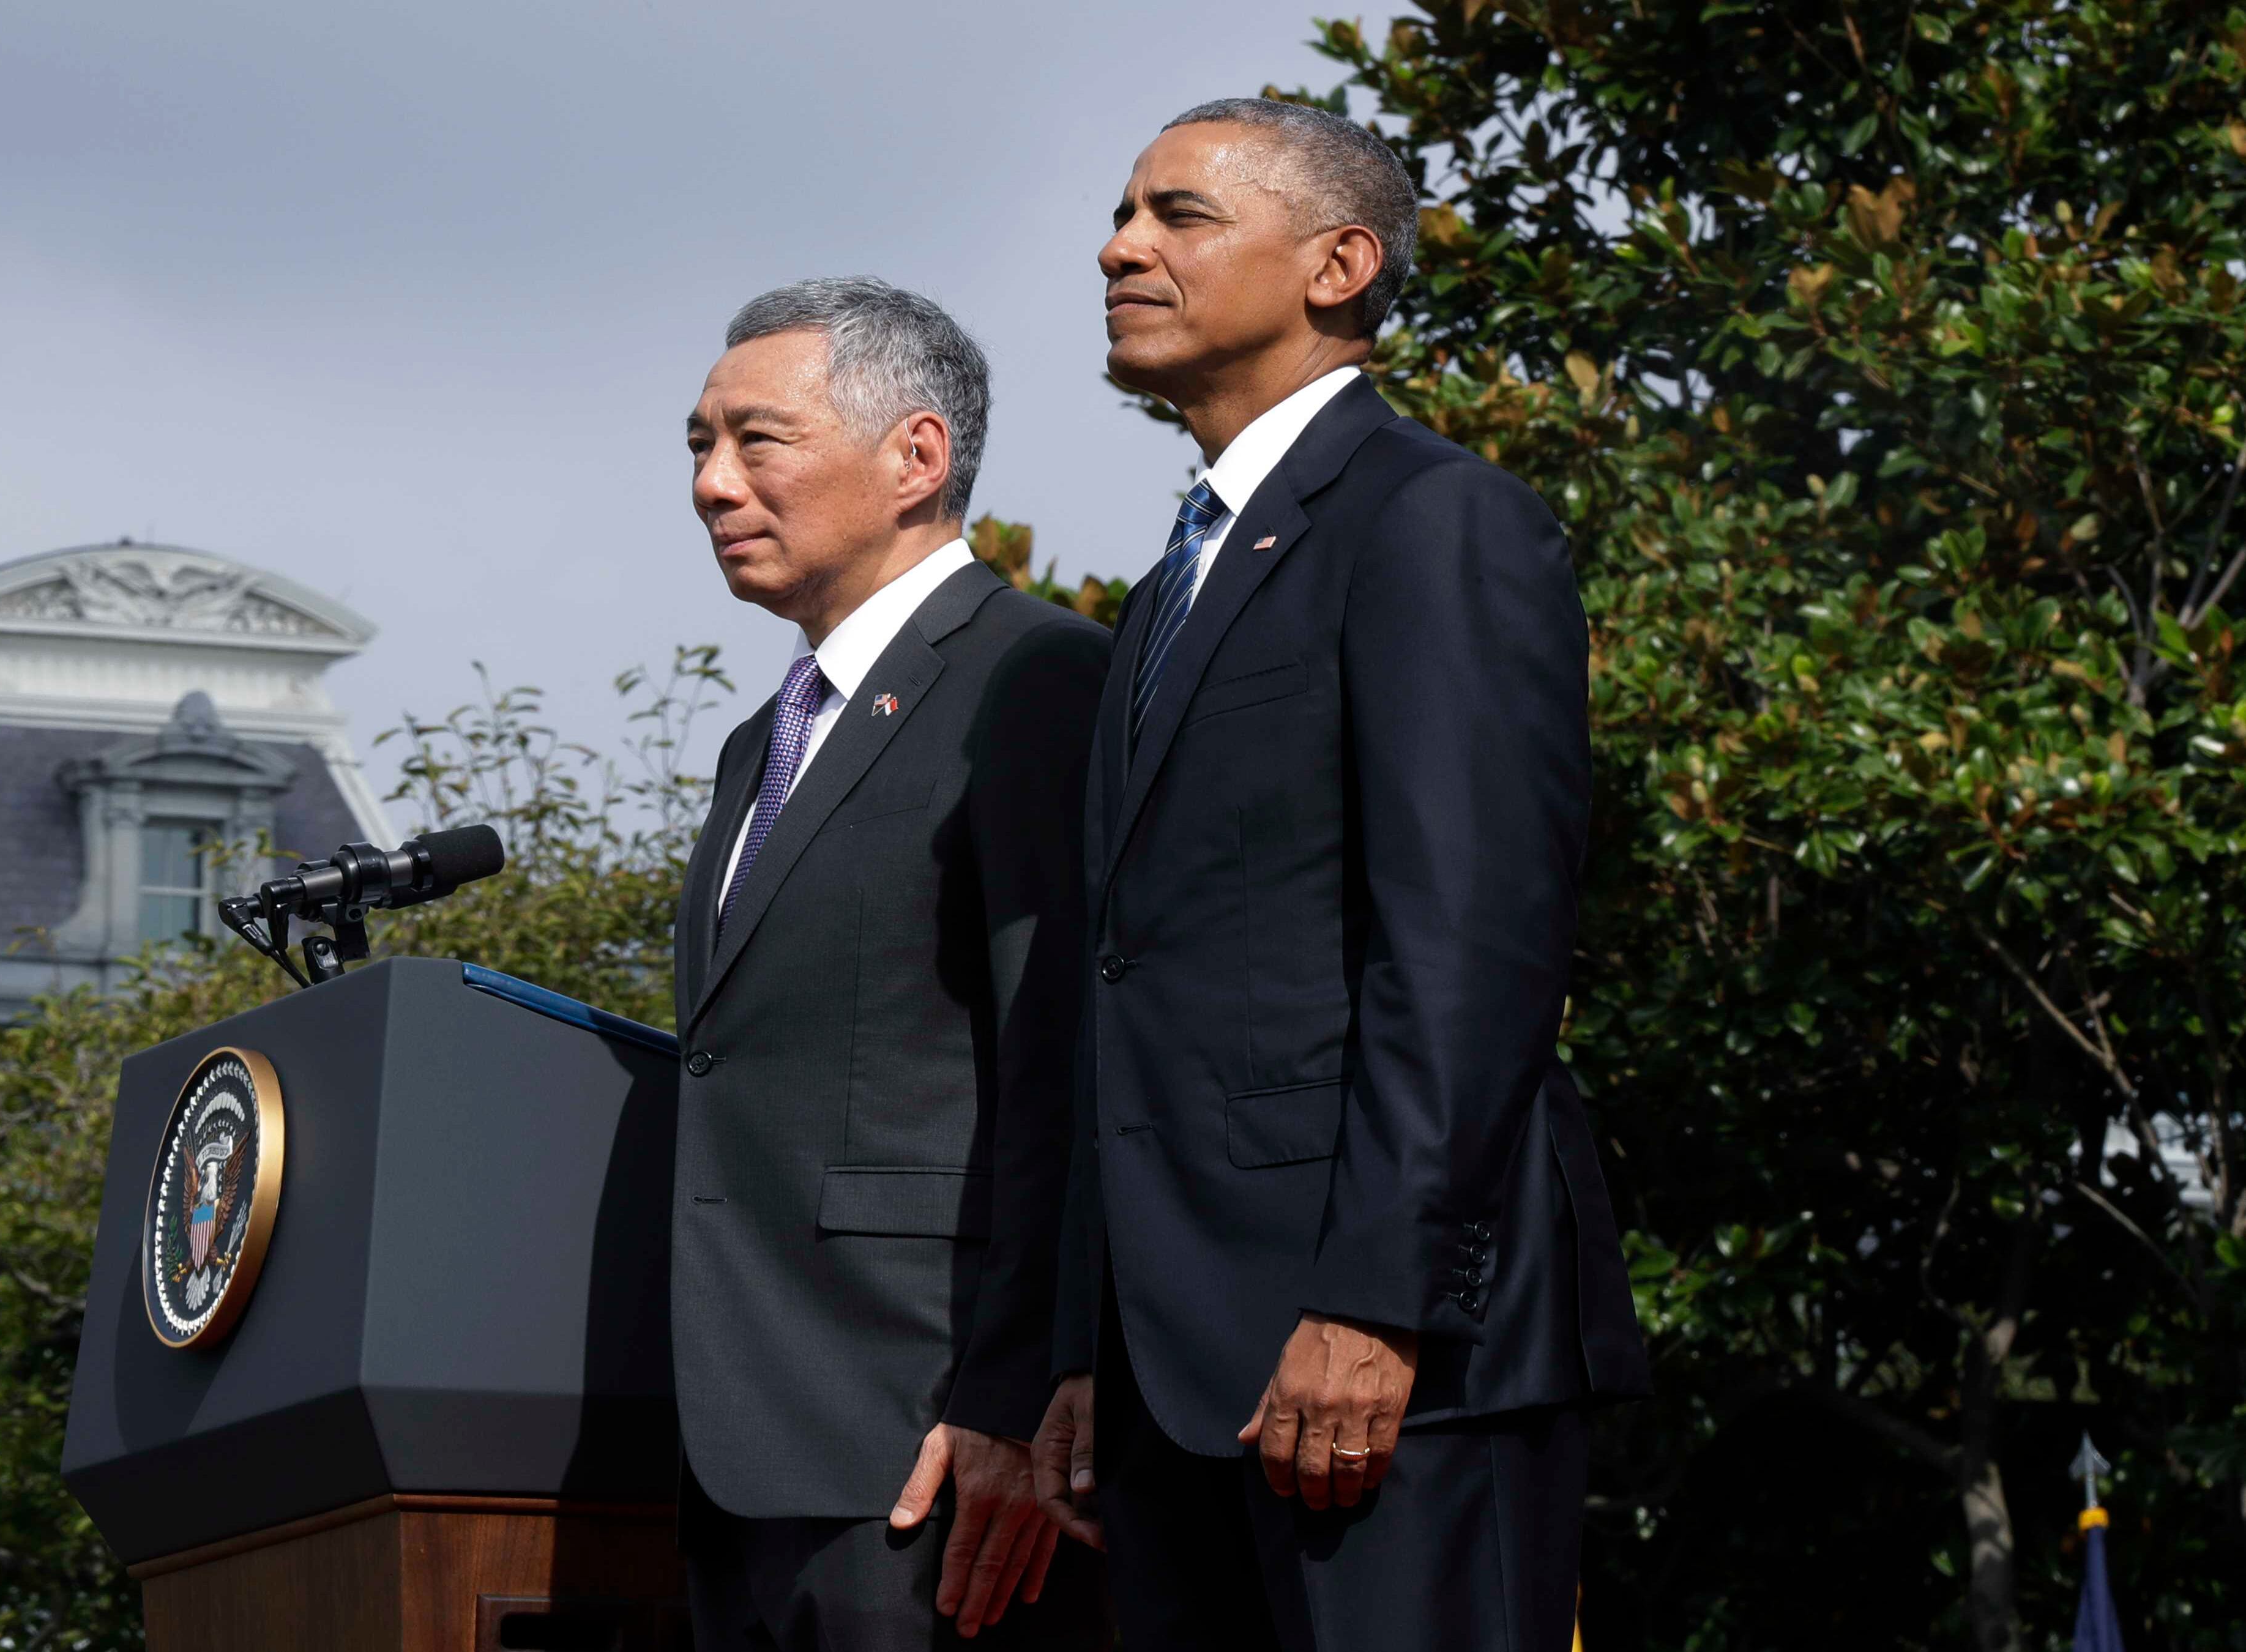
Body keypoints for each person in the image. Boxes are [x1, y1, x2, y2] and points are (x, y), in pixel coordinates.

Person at [1030, 99, 1652, 1651]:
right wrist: (1078, 1346)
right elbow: (1136, 986)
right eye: (1121, 214)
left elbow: (1470, 948)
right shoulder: (1173, 585)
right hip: (1176, 1381)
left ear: (1338, 263)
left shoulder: (1433, 521)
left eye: (1178, 215)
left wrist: (1379, 1305)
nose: (1119, 247)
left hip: (1386, 1363)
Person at [672, 277, 1111, 1651]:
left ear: (915, 458)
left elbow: (1064, 1065)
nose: (710, 484)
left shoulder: (1036, 681)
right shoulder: (765, 742)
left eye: (759, 441)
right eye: (696, 445)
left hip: (928, 1446)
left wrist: (1014, 1392)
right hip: (730, 1440)